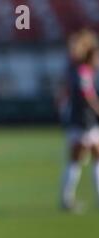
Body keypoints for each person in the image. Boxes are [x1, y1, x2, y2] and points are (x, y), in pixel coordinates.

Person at [60, 29, 99, 212]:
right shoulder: (82, 71)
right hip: (83, 121)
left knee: (93, 159)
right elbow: (87, 96)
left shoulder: (84, 71)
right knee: (76, 160)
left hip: (86, 121)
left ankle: (68, 199)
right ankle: (66, 199)